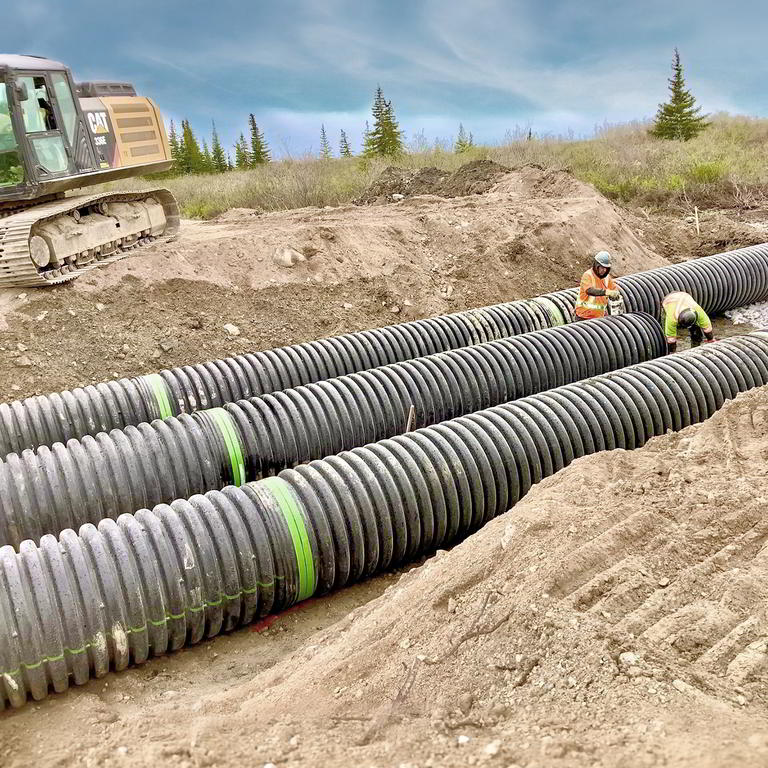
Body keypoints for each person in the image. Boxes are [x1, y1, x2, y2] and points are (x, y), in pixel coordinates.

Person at [573, 251, 620, 321]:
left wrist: (615, 293)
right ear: (596, 265)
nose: (604, 270)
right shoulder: (588, 275)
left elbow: (614, 289)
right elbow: (589, 290)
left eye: (606, 268)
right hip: (584, 317)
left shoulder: (607, 278)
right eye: (602, 267)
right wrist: (606, 292)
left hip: (599, 317)